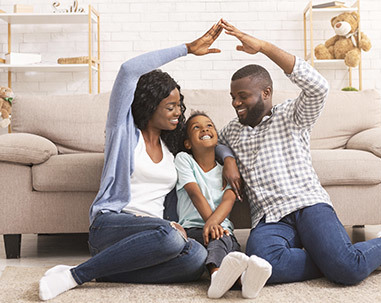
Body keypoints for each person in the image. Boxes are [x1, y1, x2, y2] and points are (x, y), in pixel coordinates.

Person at [217, 19, 381, 285]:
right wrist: (228, 158)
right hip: (269, 216)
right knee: (262, 265)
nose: (236, 103)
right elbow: (214, 142)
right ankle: (349, 256)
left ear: (266, 92)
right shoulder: (232, 130)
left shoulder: (291, 115)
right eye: (233, 97)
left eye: (242, 96)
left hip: (309, 205)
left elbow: (319, 87)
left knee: (347, 272)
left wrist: (264, 47)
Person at [38, 21, 240, 301]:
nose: (177, 112)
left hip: (153, 238)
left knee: (196, 258)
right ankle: (76, 275)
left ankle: (104, 271)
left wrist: (227, 158)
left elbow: (207, 142)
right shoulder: (123, 134)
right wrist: (187, 49)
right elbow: (128, 70)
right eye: (170, 106)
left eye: (179, 105)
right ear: (149, 105)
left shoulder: (173, 149)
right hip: (112, 226)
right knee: (171, 236)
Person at [175, 111, 271, 299]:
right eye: (197, 127)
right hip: (194, 228)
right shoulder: (184, 160)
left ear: (217, 137)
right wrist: (212, 224)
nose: (205, 128)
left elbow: (229, 200)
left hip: (225, 231)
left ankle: (244, 283)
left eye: (210, 125)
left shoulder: (226, 172)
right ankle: (217, 276)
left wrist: (215, 225)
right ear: (188, 143)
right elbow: (194, 193)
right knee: (217, 241)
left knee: (232, 253)